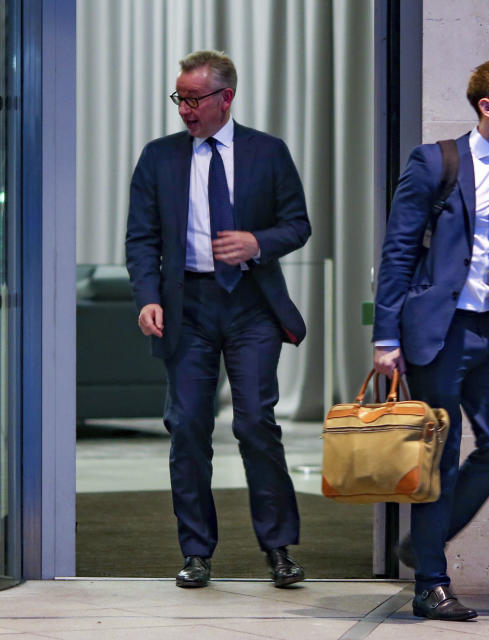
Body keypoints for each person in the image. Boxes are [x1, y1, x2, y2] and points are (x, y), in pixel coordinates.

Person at [372, 59, 489, 620]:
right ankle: (431, 583)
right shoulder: (436, 162)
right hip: (442, 332)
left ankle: (426, 541)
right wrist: (386, 336)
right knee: (439, 458)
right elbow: (399, 251)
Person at [126, 50, 310, 589]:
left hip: (252, 304)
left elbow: (297, 224)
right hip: (188, 307)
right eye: (179, 98)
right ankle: (196, 551)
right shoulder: (158, 157)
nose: (184, 109)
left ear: (225, 98)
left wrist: (258, 241)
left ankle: (279, 549)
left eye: (194, 98)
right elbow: (141, 238)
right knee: (187, 427)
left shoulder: (267, 152)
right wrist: (146, 295)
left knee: (255, 423)